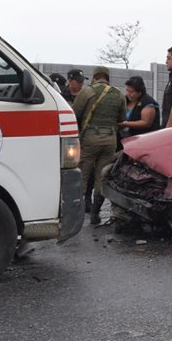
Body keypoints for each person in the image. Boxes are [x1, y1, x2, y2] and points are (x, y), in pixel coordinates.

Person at [72, 66, 125, 225]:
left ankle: (75, 213)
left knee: (83, 173)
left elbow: (74, 114)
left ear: (94, 77)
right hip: (110, 139)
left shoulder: (87, 92)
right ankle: (96, 213)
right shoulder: (118, 94)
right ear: (108, 78)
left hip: (90, 138)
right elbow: (121, 119)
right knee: (102, 176)